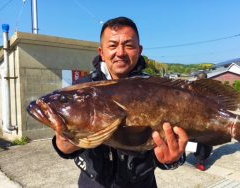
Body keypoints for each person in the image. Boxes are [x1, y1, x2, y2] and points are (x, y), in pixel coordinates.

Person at [52, 17, 189, 188]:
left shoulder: (159, 90)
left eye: (129, 45)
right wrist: (62, 146)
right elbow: (65, 146)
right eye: (112, 45)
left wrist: (171, 160)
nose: (121, 52)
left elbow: (175, 144)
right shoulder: (80, 89)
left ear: (139, 50)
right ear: (101, 52)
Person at [193, 72, 213, 171]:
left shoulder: (194, 89)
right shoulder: (211, 89)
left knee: (198, 141)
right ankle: (202, 159)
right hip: (207, 119)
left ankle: (200, 161)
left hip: (199, 120)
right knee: (206, 140)